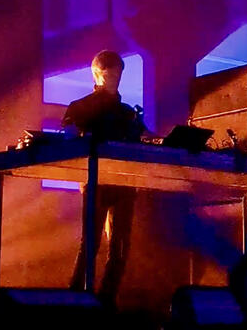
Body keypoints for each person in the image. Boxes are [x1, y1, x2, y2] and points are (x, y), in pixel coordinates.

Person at [63, 50, 146, 308]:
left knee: (119, 247)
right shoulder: (80, 107)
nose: (115, 80)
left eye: (118, 75)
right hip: (96, 181)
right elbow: (68, 139)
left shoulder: (128, 113)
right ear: (97, 75)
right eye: (111, 75)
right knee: (91, 244)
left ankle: (105, 302)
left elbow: (143, 139)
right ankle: (76, 301)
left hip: (124, 182)